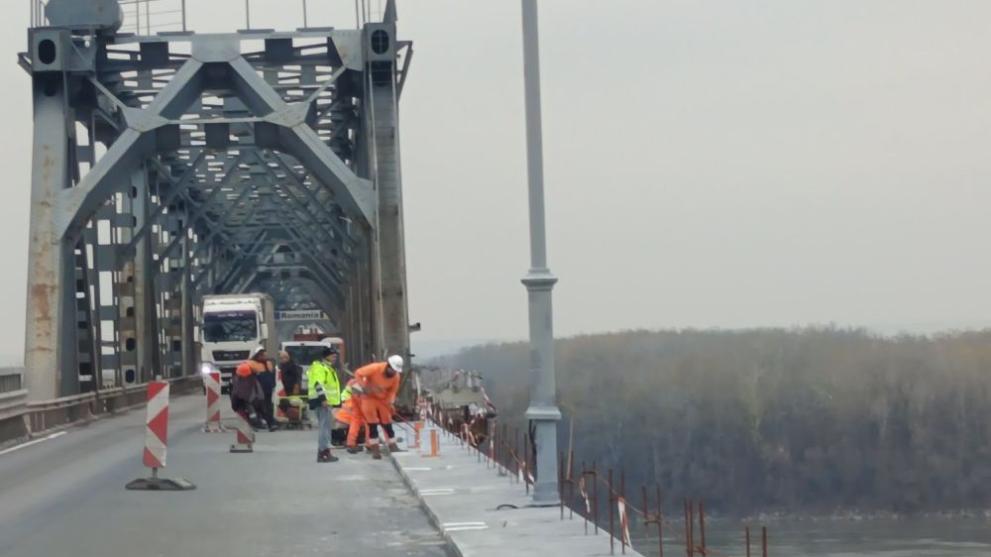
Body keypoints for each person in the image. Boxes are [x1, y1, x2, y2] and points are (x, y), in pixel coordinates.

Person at [353, 355, 403, 460]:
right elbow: (358, 373)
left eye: (395, 371)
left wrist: (390, 402)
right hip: (369, 398)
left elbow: (392, 391)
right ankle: (375, 448)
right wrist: (364, 386)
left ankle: (392, 445)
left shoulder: (396, 377)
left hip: (383, 399)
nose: (393, 373)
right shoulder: (375, 368)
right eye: (392, 370)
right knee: (372, 424)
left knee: (387, 423)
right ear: (388, 366)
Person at [308, 346, 342, 463]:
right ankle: (323, 453)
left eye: (335, 356)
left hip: (325, 401)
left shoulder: (327, 367)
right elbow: (318, 384)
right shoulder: (320, 367)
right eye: (333, 355)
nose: (335, 358)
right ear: (326, 356)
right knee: (324, 428)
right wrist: (323, 399)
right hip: (321, 401)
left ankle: (324, 452)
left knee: (326, 427)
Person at [248, 347, 279, 431]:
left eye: (265, 355)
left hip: (266, 389)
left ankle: (268, 423)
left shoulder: (268, 363)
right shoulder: (252, 363)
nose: (265, 357)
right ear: (258, 355)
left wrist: (272, 385)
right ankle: (265, 423)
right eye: (263, 355)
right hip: (258, 390)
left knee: (266, 407)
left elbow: (272, 374)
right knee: (261, 407)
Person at [337, 379, 368, 454]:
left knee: (357, 423)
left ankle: (351, 443)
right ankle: (369, 443)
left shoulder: (354, 382)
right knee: (368, 423)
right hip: (348, 414)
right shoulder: (365, 382)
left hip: (346, 414)